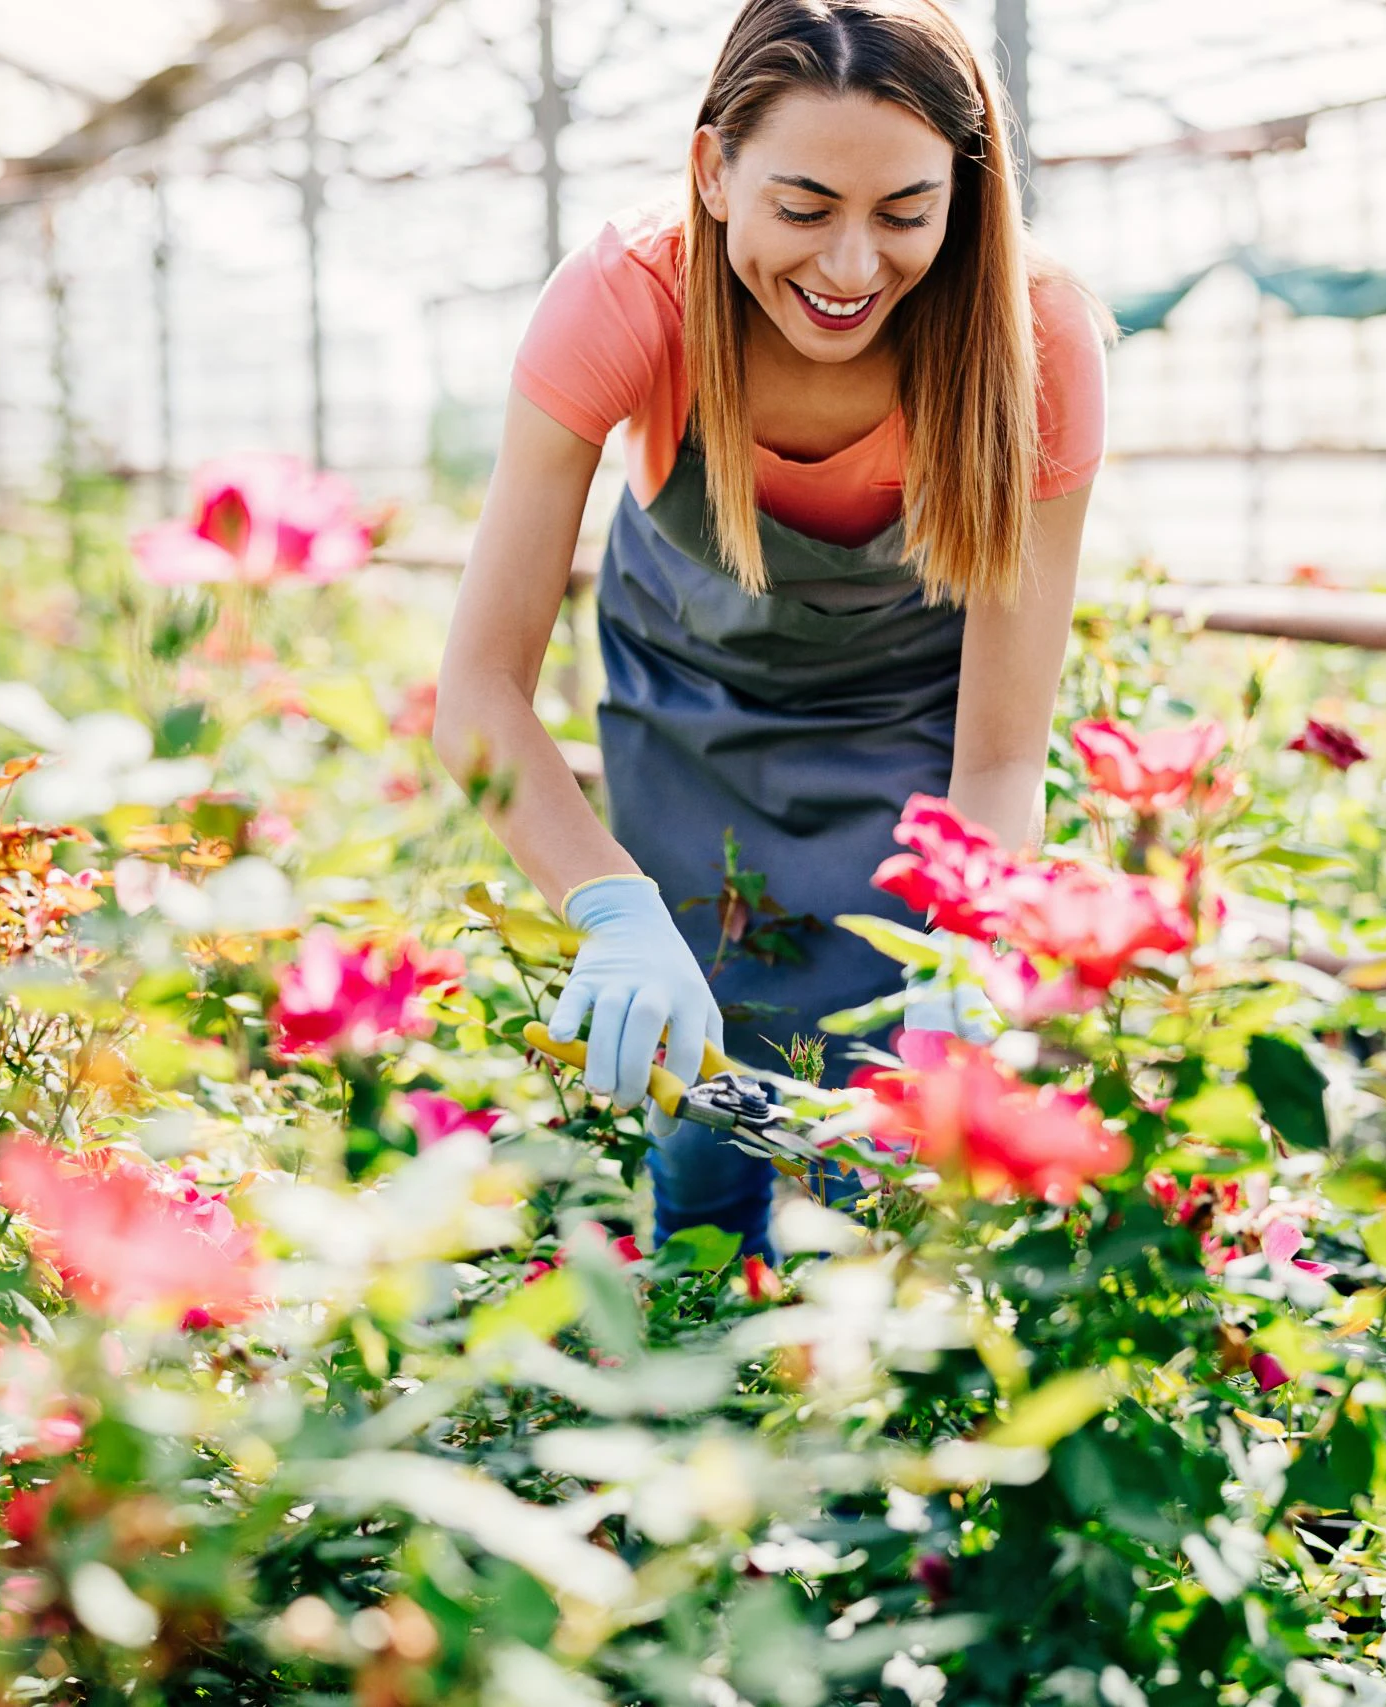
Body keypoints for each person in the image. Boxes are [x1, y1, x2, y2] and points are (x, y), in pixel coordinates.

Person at [432, 0, 1109, 1260]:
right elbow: (475, 692)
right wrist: (608, 910)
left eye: (905, 214)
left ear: (964, 190)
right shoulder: (625, 297)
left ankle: (868, 1339)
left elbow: (1004, 748)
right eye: (802, 210)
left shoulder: (1035, 338)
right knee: (700, 1036)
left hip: (914, 704)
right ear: (712, 171)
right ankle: (697, 1296)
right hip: (690, 690)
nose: (852, 268)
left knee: (896, 1080)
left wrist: (966, 949)